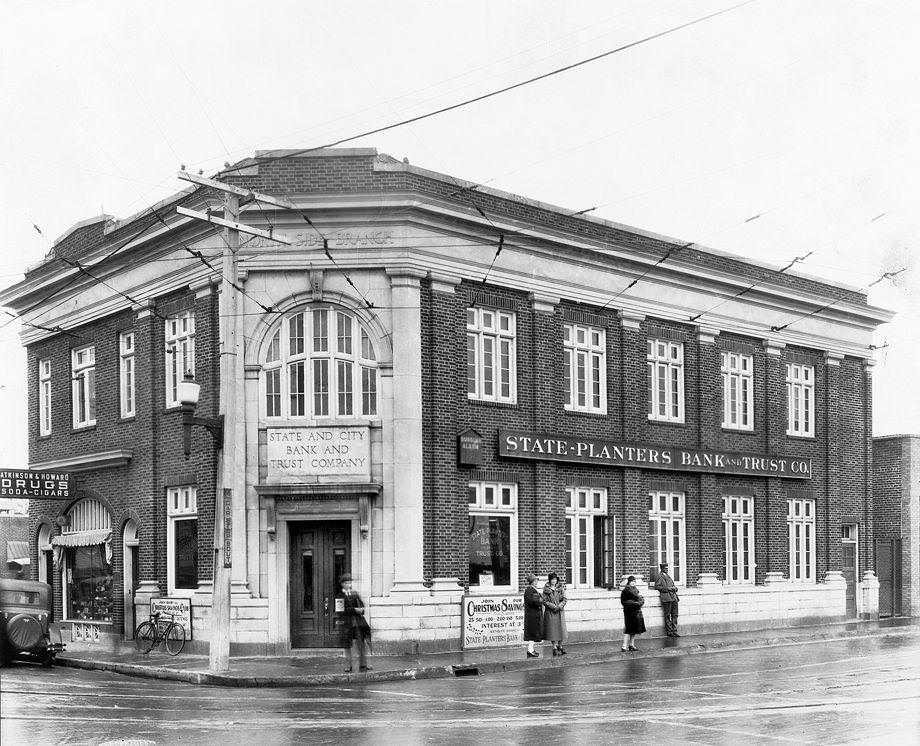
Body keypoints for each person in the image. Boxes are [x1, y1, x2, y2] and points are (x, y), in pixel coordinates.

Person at [340, 573, 371, 672]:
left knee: (361, 643)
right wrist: (355, 610)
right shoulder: (339, 596)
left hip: (358, 623)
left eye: (350, 582)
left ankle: (363, 664)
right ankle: (348, 665)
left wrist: (361, 609)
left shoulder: (355, 594)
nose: (349, 584)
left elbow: (362, 605)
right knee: (347, 645)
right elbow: (341, 610)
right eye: (347, 583)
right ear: (342, 584)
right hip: (347, 623)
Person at [542, 572, 567, 655]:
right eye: (552, 579)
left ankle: (560, 646)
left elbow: (565, 599)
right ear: (550, 580)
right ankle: (554, 647)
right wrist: (553, 607)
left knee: (561, 629)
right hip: (551, 612)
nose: (554, 581)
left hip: (559, 611)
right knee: (552, 630)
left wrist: (559, 606)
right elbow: (544, 601)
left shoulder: (561, 588)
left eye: (555, 579)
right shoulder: (546, 589)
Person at [620, 575, 646, 651]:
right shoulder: (625, 591)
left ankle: (631, 645)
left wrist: (639, 603)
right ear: (629, 582)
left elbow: (641, 599)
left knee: (634, 629)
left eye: (634, 582)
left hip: (636, 612)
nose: (633, 583)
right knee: (628, 629)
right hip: (629, 612)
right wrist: (635, 603)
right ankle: (624, 646)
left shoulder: (636, 590)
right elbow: (624, 602)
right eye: (632, 581)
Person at [654, 562, 680, 637]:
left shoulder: (668, 576)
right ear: (662, 569)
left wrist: (675, 588)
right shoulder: (659, 576)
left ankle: (674, 630)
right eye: (665, 569)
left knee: (675, 615)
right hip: (666, 598)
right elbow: (657, 587)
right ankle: (669, 632)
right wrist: (667, 589)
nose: (667, 570)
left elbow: (673, 585)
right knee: (668, 615)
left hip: (674, 597)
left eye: (667, 568)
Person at [523, 573, 544, 658]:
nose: (536, 582)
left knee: (533, 632)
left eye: (536, 580)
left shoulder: (532, 589)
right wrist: (541, 600)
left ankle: (531, 649)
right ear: (531, 582)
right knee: (532, 632)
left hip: (533, 614)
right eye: (535, 580)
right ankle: (530, 650)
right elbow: (535, 602)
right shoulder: (530, 590)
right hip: (532, 615)